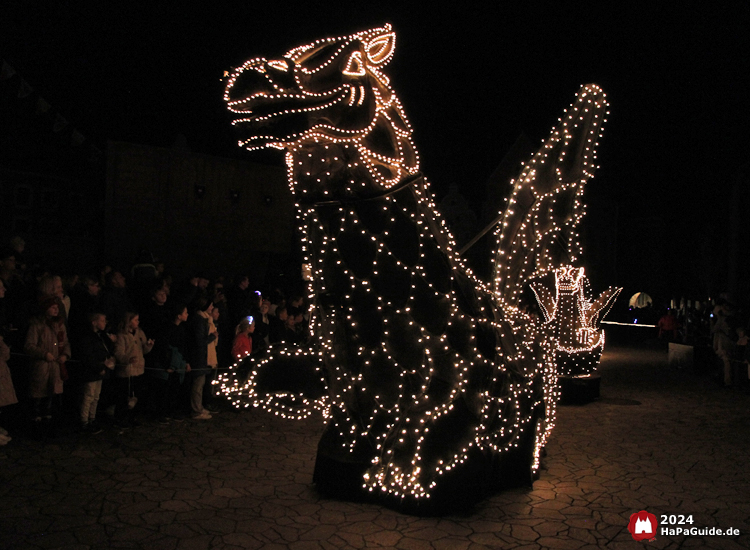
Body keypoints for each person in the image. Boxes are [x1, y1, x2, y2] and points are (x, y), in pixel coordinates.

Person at [24, 296, 71, 422]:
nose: (56, 310)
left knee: (51, 395)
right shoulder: (37, 326)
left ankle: (49, 421)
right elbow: (29, 345)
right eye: (53, 307)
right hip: (41, 366)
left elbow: (65, 342)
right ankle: (36, 420)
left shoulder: (60, 325)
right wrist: (44, 354)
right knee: (39, 394)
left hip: (55, 366)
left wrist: (65, 355)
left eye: (57, 308)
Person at [113, 312, 154, 428]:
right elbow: (118, 353)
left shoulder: (140, 333)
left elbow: (144, 350)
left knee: (136, 395)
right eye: (135, 320)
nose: (138, 322)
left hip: (139, 370)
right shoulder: (122, 335)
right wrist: (127, 359)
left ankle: (132, 417)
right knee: (124, 397)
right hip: (126, 372)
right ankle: (120, 419)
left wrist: (148, 346)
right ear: (129, 321)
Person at [77, 313, 115, 433]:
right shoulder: (88, 337)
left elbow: (107, 351)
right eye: (102, 320)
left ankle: (92, 418)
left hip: (100, 371)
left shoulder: (101, 336)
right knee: (88, 396)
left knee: (95, 397)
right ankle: (84, 421)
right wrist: (99, 367)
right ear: (94, 322)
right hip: (91, 371)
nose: (105, 323)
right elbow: (88, 356)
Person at [186, 298, 216, 420]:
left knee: (201, 383)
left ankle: (199, 406)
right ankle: (196, 409)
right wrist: (212, 337)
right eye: (210, 305)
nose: (212, 308)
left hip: (202, 356)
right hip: (199, 357)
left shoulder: (204, 319)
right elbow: (199, 341)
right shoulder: (200, 321)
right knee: (198, 384)